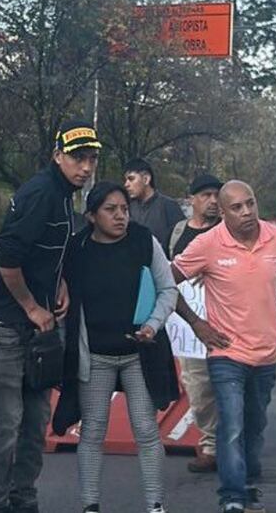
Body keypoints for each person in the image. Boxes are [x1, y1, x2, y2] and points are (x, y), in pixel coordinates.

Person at [0, 120, 100, 513]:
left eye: (91, 159)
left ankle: (23, 501)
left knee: (34, 427)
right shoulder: (41, 193)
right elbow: (8, 257)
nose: (85, 167)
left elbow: (47, 250)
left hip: (41, 327)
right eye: (77, 158)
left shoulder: (65, 195)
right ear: (57, 156)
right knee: (6, 426)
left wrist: (60, 279)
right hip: (10, 326)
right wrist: (32, 306)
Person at [172, 181, 276, 513]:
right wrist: (197, 324)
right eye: (236, 207)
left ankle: (247, 482)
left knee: (255, 422)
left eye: (250, 203)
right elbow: (167, 280)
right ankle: (233, 498)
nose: (247, 212)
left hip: (267, 352)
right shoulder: (207, 244)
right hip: (226, 353)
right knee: (232, 423)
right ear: (222, 213)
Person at [53, 182, 179, 513]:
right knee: (92, 431)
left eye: (124, 209)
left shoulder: (143, 240)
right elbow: (61, 294)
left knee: (146, 430)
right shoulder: (76, 249)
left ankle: (155, 505)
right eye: (111, 210)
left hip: (140, 351)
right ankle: (90, 505)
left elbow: (168, 289)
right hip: (94, 355)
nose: (121, 216)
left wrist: (152, 324)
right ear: (91, 216)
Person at [167, 173, 223, 473]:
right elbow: (167, 270)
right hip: (190, 329)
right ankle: (210, 445)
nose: (212, 201)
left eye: (217, 195)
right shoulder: (178, 232)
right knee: (198, 389)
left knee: (231, 385)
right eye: (205, 195)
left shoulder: (229, 231)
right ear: (192, 200)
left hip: (228, 322)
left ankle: (231, 448)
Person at [124, 158, 185, 253]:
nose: (126, 184)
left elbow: (181, 240)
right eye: (126, 180)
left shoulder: (169, 206)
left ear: (146, 179)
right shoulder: (128, 208)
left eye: (131, 179)